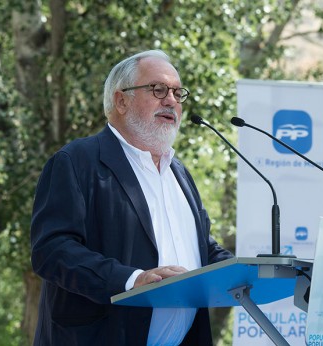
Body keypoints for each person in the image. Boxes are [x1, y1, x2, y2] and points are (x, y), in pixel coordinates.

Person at [30, 49, 234, 345]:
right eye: (159, 89)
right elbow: (52, 250)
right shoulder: (76, 162)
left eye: (178, 93)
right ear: (121, 100)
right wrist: (131, 280)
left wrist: (243, 270)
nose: (171, 101)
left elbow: (201, 246)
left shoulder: (179, 174)